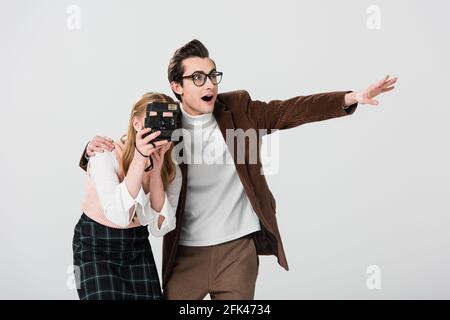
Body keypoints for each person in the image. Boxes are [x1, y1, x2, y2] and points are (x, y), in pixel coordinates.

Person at [80, 39, 397, 300]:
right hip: (185, 254)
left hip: (237, 253)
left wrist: (350, 97)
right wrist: (89, 154)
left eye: (214, 75)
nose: (210, 84)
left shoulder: (240, 109)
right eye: (198, 77)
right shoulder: (166, 120)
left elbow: (290, 110)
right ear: (177, 86)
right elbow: (130, 146)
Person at [73, 92, 181, 300]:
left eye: (168, 123)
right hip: (95, 245)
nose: (160, 129)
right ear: (137, 124)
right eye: (155, 122)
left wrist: (157, 172)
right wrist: (140, 159)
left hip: (135, 246)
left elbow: (161, 228)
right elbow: (120, 216)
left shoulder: (172, 171)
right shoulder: (106, 154)